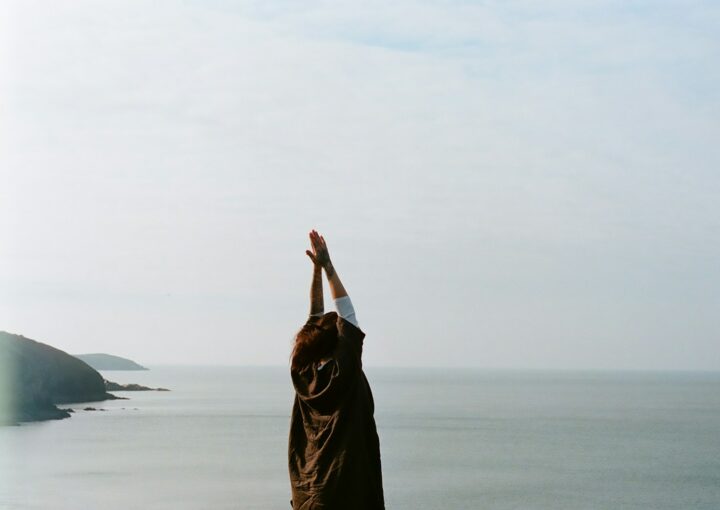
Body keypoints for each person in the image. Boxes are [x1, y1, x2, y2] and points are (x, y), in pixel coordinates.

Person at [288, 230, 385, 510]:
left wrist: (316, 270)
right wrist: (328, 267)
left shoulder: (302, 373)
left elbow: (314, 318)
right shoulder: (343, 372)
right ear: (336, 344)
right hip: (345, 490)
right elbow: (347, 314)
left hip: (309, 494)